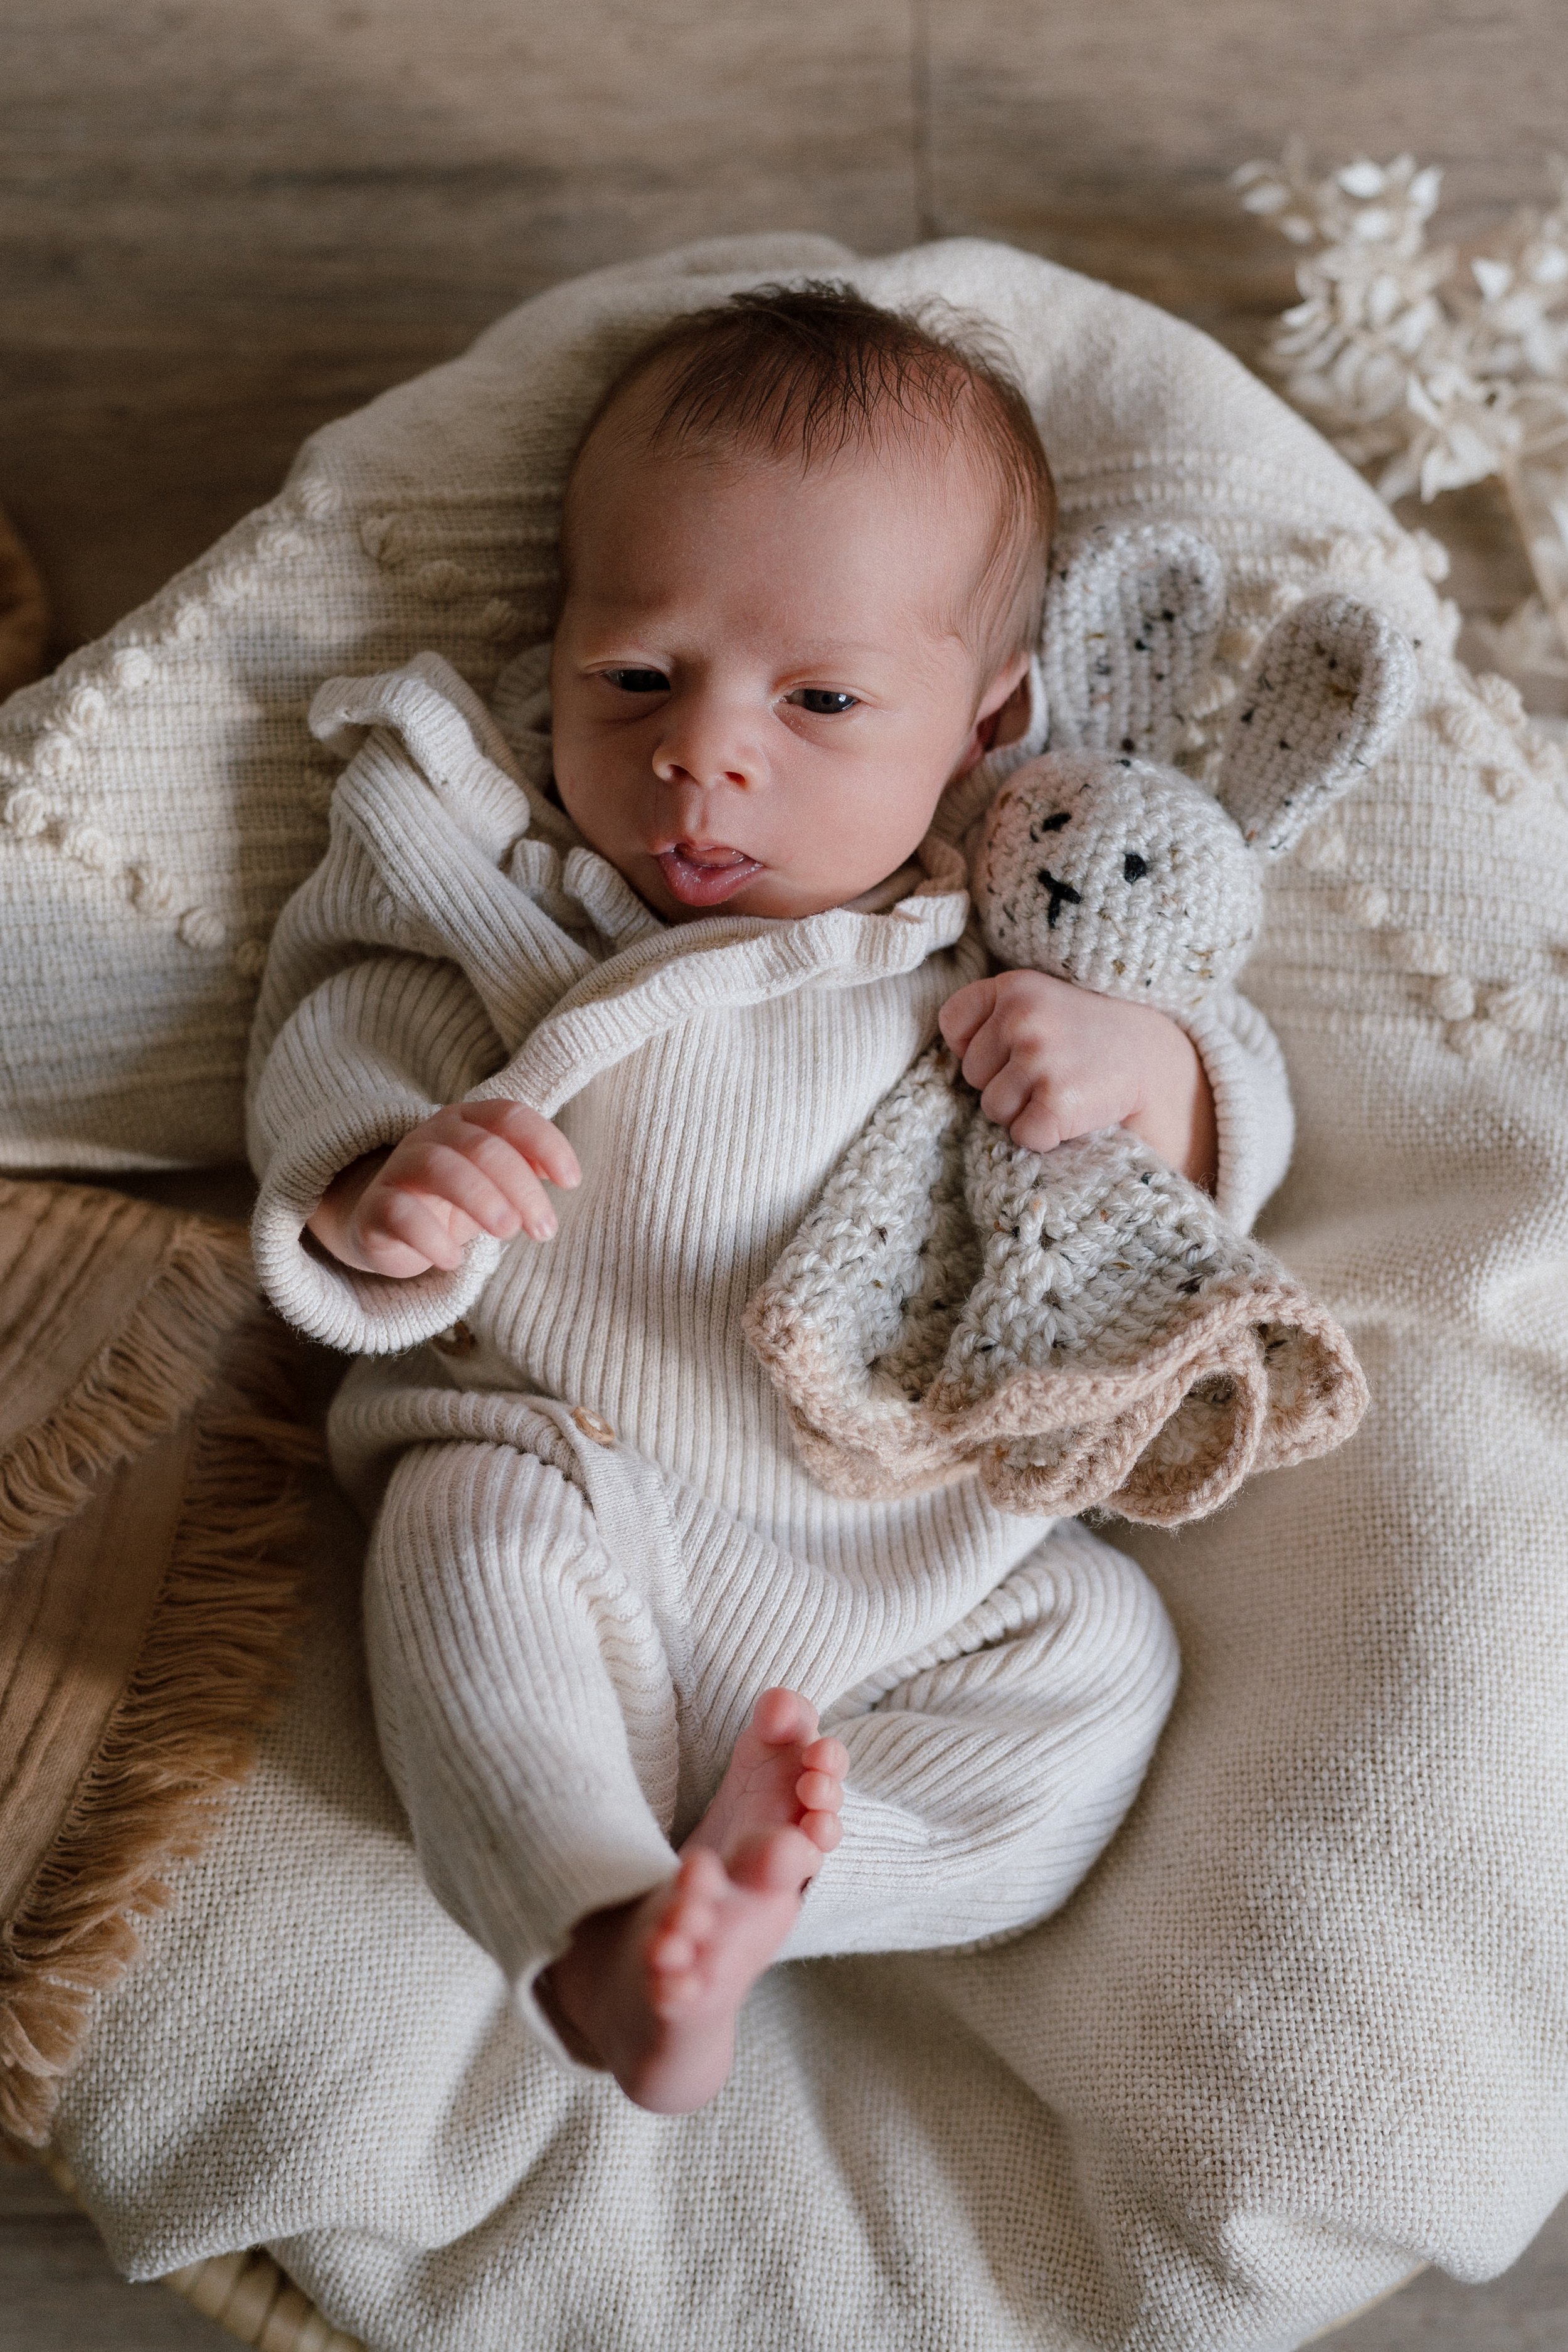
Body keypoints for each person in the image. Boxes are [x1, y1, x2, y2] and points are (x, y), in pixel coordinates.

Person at [248, 284, 1291, 2113]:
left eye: (820, 699)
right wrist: (373, 1188)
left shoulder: (1005, 919)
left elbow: (1204, 1168)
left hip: (916, 1567)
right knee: (456, 1547)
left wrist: (1148, 1074)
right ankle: (594, 1934)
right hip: (587, 1479)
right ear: (553, 649)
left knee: (1100, 1671)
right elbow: (340, 1025)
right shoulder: (505, 885)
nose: (702, 754)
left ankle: (779, 1887)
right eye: (636, 677)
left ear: (984, 727)